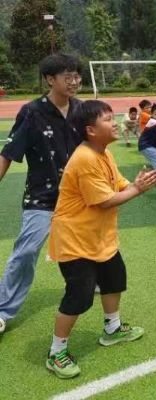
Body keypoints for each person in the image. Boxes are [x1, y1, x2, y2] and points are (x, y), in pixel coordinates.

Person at [45, 100, 156, 378]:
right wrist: (137, 189)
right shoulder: (85, 158)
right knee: (79, 296)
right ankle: (56, 352)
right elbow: (104, 201)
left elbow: (118, 183)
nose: (116, 122)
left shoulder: (103, 152)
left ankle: (112, 328)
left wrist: (135, 184)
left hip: (99, 237)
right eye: (108, 119)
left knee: (114, 279)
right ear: (91, 130)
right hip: (76, 241)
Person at [0, 53, 83, 334]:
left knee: (88, 243)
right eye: (67, 77)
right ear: (50, 79)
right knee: (26, 251)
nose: (74, 82)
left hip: (79, 196)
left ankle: (90, 282)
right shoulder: (32, 112)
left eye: (77, 76)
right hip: (42, 197)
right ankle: (2, 310)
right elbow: (9, 153)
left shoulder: (82, 110)